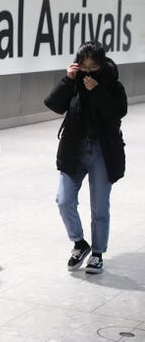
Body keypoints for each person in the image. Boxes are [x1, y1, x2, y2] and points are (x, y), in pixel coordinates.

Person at [44, 41, 127, 274]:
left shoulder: (111, 83)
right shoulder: (73, 82)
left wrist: (97, 90)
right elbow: (53, 105)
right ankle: (80, 243)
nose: (88, 71)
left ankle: (98, 253)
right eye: (84, 66)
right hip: (74, 148)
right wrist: (68, 80)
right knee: (63, 200)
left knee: (100, 206)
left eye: (93, 66)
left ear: (101, 64)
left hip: (102, 150)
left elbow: (118, 112)